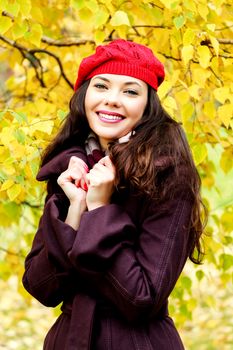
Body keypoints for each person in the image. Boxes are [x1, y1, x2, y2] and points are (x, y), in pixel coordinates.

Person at [22, 39, 206, 350]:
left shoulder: (168, 176)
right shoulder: (71, 169)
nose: (112, 100)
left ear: (148, 105)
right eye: (102, 86)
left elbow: (142, 298)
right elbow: (42, 287)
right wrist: (76, 209)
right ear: (84, 95)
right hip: (68, 341)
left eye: (131, 91)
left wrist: (99, 208)